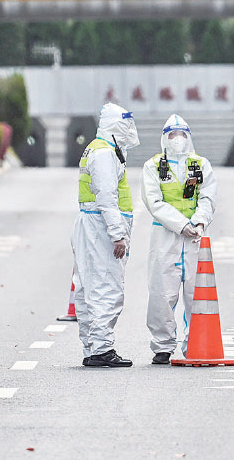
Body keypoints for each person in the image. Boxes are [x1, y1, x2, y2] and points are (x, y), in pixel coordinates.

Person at [141, 114, 217, 365]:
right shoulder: (153, 166)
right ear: (164, 138)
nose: (177, 139)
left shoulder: (201, 164)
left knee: (197, 293)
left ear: (189, 137)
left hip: (195, 238)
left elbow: (208, 197)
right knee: (162, 292)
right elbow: (154, 202)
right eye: (172, 135)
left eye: (182, 134)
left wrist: (199, 222)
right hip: (165, 236)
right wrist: (181, 225)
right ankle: (162, 346)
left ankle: (195, 342)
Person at [71, 103, 139, 368]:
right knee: (106, 287)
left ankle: (92, 346)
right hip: (101, 226)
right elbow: (107, 197)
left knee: (90, 286)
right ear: (115, 125)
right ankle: (101, 348)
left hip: (92, 224)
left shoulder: (98, 149)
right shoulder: (103, 154)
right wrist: (118, 234)